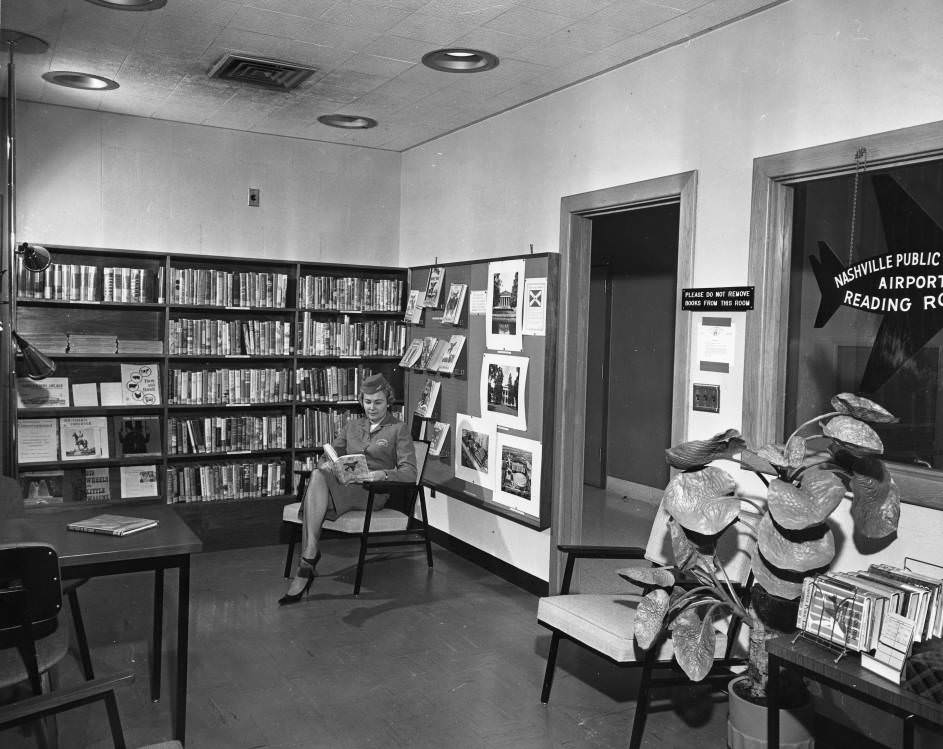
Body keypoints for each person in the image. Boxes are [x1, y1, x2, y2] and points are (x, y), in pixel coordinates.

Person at [279, 373, 416, 605]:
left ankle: (307, 561)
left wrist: (380, 474)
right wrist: (328, 463)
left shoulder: (398, 429)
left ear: (388, 401)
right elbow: (330, 453)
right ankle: (310, 553)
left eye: (378, 402)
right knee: (317, 473)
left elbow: (410, 472)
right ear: (362, 401)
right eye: (368, 402)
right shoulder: (353, 425)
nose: (372, 408)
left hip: (372, 492)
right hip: (345, 486)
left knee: (316, 483)